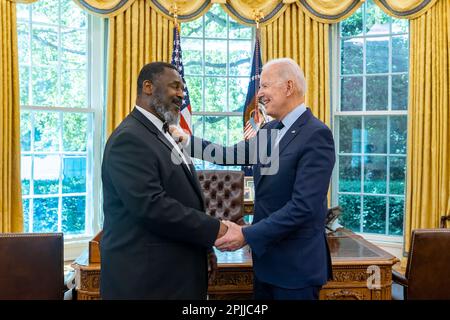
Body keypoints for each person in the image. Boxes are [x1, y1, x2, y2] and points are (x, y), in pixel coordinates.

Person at [171, 58, 336, 300]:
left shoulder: (316, 134)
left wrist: (247, 234)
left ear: (288, 87)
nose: (259, 94)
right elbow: (229, 154)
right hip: (266, 263)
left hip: (296, 270)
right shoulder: (268, 131)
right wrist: (186, 140)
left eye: (265, 86)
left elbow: (304, 207)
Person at [100, 62, 228, 299]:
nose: (181, 94)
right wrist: (216, 229)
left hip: (175, 275)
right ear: (148, 87)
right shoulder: (129, 139)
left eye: (182, 88)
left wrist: (205, 248)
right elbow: (152, 206)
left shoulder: (164, 133)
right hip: (147, 282)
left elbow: (185, 197)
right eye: (174, 87)